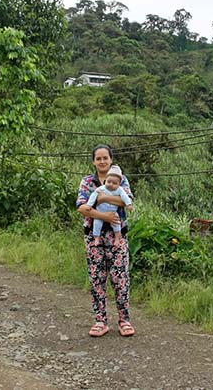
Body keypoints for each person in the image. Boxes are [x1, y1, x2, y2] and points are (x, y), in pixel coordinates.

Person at [76, 144, 136, 338]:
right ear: (94, 161)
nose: (102, 161)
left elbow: (127, 202)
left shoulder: (121, 179)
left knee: (120, 277)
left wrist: (101, 199)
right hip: (93, 236)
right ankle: (100, 320)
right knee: (97, 277)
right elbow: (81, 207)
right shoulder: (87, 181)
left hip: (118, 235)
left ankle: (124, 320)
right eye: (98, 158)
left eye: (105, 158)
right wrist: (105, 215)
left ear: (111, 160)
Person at [87, 165, 134, 247]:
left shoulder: (120, 190)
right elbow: (93, 196)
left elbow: (125, 197)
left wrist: (129, 204)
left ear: (119, 184)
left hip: (113, 212)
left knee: (116, 222)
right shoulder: (102, 188)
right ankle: (96, 238)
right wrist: (89, 205)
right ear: (105, 181)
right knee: (96, 224)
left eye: (114, 183)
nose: (111, 184)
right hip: (100, 212)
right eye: (109, 182)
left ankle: (117, 237)